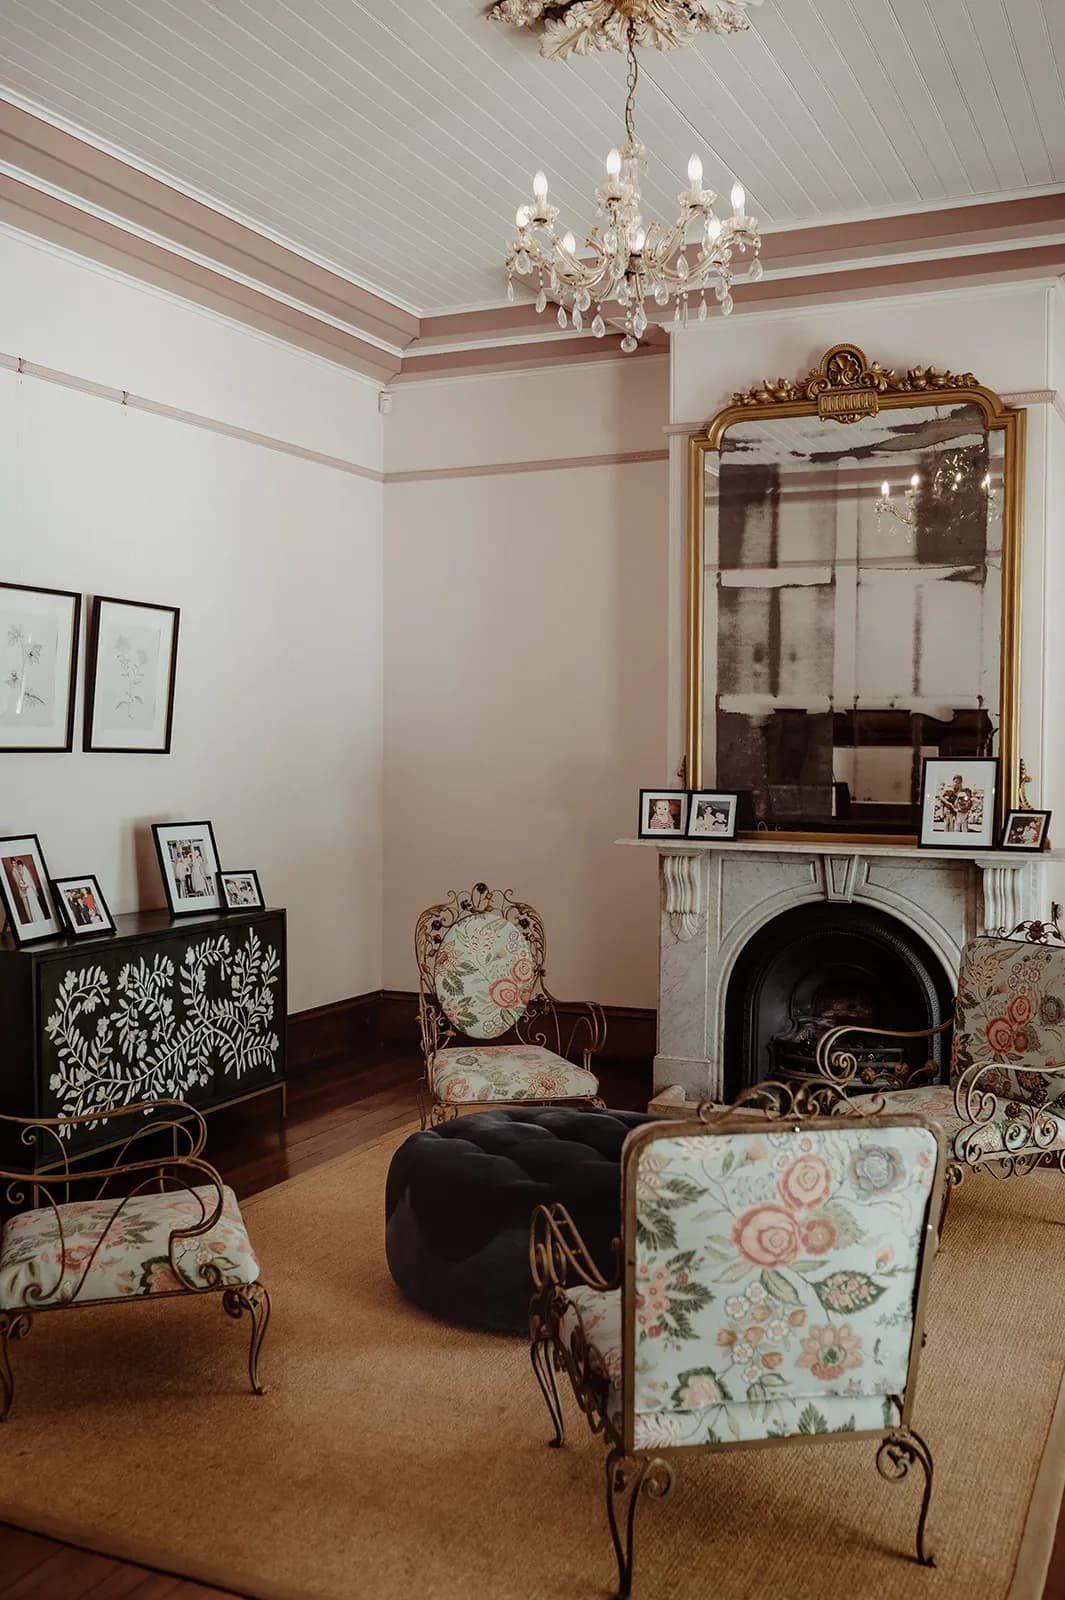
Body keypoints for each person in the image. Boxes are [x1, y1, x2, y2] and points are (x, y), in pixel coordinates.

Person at [9, 857, 46, 924]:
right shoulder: (13, 872)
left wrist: (26, 886)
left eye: (15, 863)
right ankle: (31, 920)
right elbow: (18, 882)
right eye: (13, 864)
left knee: (31, 904)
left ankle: (35, 918)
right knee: (26, 906)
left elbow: (26, 879)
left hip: (28, 890)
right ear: (11, 864)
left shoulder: (21, 870)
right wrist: (23, 887)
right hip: (22, 891)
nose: (14, 864)